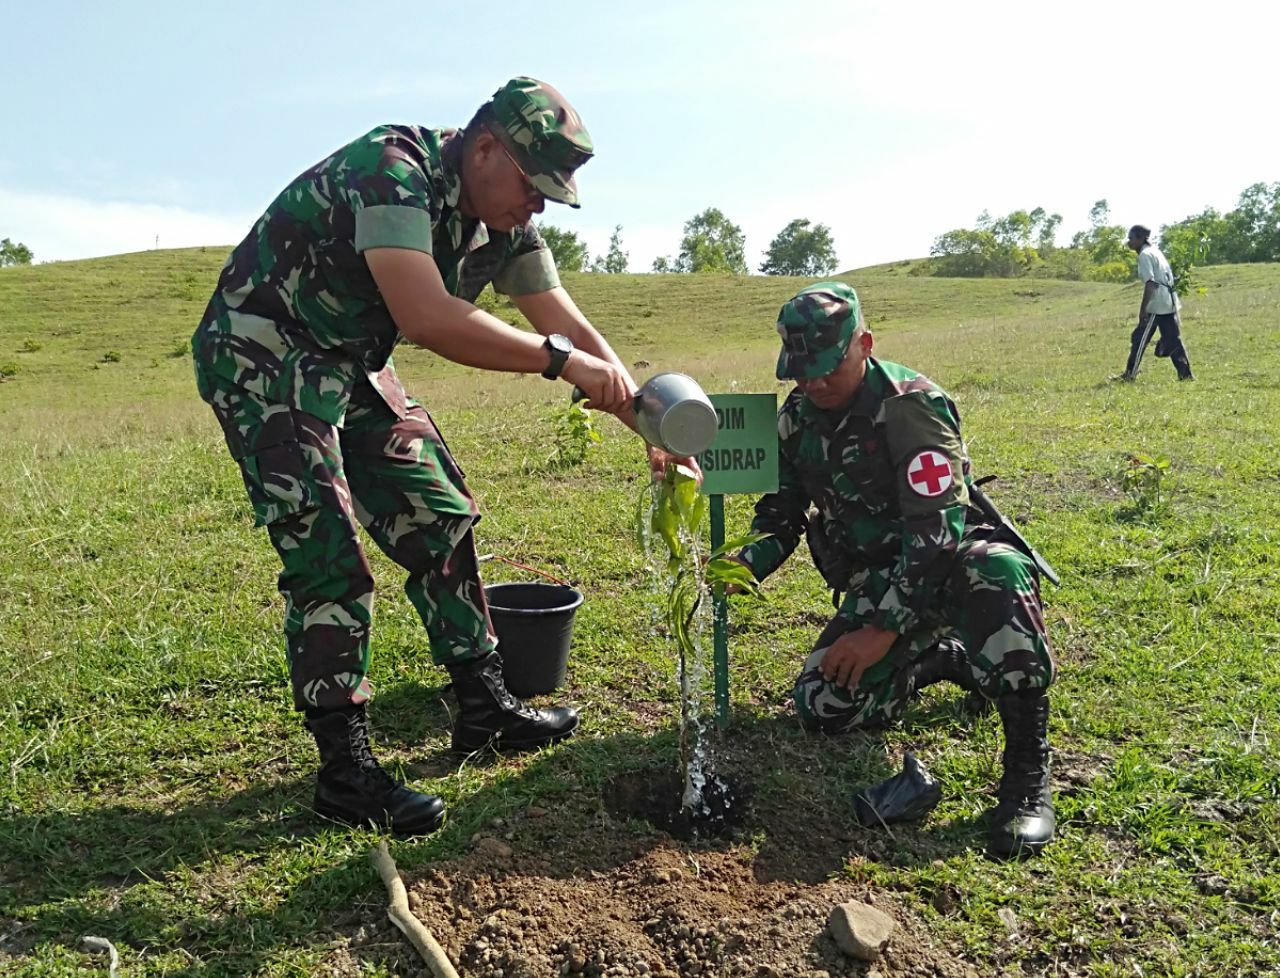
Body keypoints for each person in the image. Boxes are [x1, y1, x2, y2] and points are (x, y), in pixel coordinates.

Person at [192, 77, 692, 836]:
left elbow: (572, 329)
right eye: (534, 187)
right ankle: (345, 775)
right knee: (328, 554)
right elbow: (428, 317)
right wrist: (557, 364)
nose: (539, 207)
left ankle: (485, 708)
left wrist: (652, 429)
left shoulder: (505, 223)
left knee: (440, 512)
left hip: (351, 358)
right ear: (485, 147)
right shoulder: (391, 169)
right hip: (265, 350)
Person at [733, 281, 1057, 858]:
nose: (814, 383)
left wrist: (880, 631)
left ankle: (1026, 779)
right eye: (802, 371)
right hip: (877, 581)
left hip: (950, 571)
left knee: (1000, 571)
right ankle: (945, 661)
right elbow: (780, 515)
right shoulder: (797, 420)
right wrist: (738, 569)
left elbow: (936, 532)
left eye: (829, 367)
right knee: (822, 705)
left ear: (865, 344)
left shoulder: (911, 407)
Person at [1120, 224, 1193, 381]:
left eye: (1131, 238)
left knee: (1140, 339)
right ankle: (1185, 375)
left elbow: (1150, 284)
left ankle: (1130, 374)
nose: (1129, 242)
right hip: (1169, 301)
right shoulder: (1156, 251)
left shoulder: (1145, 255)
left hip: (1157, 303)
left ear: (1140, 238)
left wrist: (1144, 309)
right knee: (1173, 340)